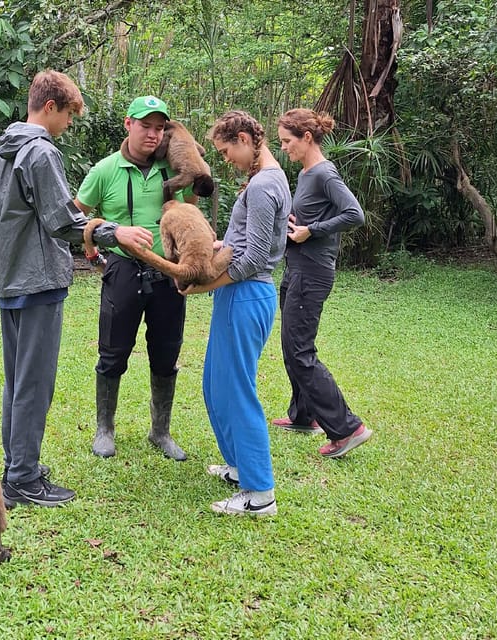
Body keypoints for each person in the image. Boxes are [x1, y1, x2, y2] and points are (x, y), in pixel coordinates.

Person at [0, 71, 153, 507]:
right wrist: (113, 233)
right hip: (37, 280)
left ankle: (18, 467)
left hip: (11, 278)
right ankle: (23, 479)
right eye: (67, 116)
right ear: (50, 107)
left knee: (17, 381)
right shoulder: (40, 152)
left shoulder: (8, 148)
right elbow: (62, 221)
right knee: (34, 384)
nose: (67, 125)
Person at [74, 95, 197, 461]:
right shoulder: (105, 170)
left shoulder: (172, 170)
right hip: (124, 271)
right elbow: (72, 219)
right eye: (146, 126)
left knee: (166, 354)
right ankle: (104, 428)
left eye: (160, 128)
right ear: (128, 124)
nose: (154, 135)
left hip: (168, 275)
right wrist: (100, 236)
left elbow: (191, 214)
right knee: (112, 354)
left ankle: (160, 431)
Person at [181, 111, 290, 516]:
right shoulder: (263, 182)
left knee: (237, 391)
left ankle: (259, 494)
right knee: (215, 383)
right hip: (237, 295)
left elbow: (256, 256)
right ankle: (237, 466)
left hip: (246, 294)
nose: (225, 160)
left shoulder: (263, 185)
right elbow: (244, 241)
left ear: (244, 139)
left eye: (227, 151)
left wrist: (203, 284)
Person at [273, 108, 372, 458]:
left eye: (287, 141)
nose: (284, 147)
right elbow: (312, 215)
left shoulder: (324, 174)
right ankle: (303, 416)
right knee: (291, 346)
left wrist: (310, 231)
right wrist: (296, 222)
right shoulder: (306, 174)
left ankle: (347, 428)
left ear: (307, 138)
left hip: (312, 272)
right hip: (297, 267)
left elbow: (354, 214)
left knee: (301, 350)